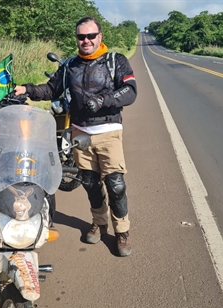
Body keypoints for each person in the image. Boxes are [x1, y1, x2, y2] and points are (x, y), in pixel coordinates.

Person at [14, 16, 137, 256]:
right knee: (90, 183)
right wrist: (27, 89)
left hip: (108, 130)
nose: (86, 40)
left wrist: (103, 100)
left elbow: (130, 91)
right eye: (82, 36)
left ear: (100, 36)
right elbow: (51, 89)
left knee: (116, 185)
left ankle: (122, 231)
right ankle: (99, 224)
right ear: (77, 39)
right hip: (80, 132)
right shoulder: (70, 65)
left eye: (91, 36)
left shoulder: (115, 61)